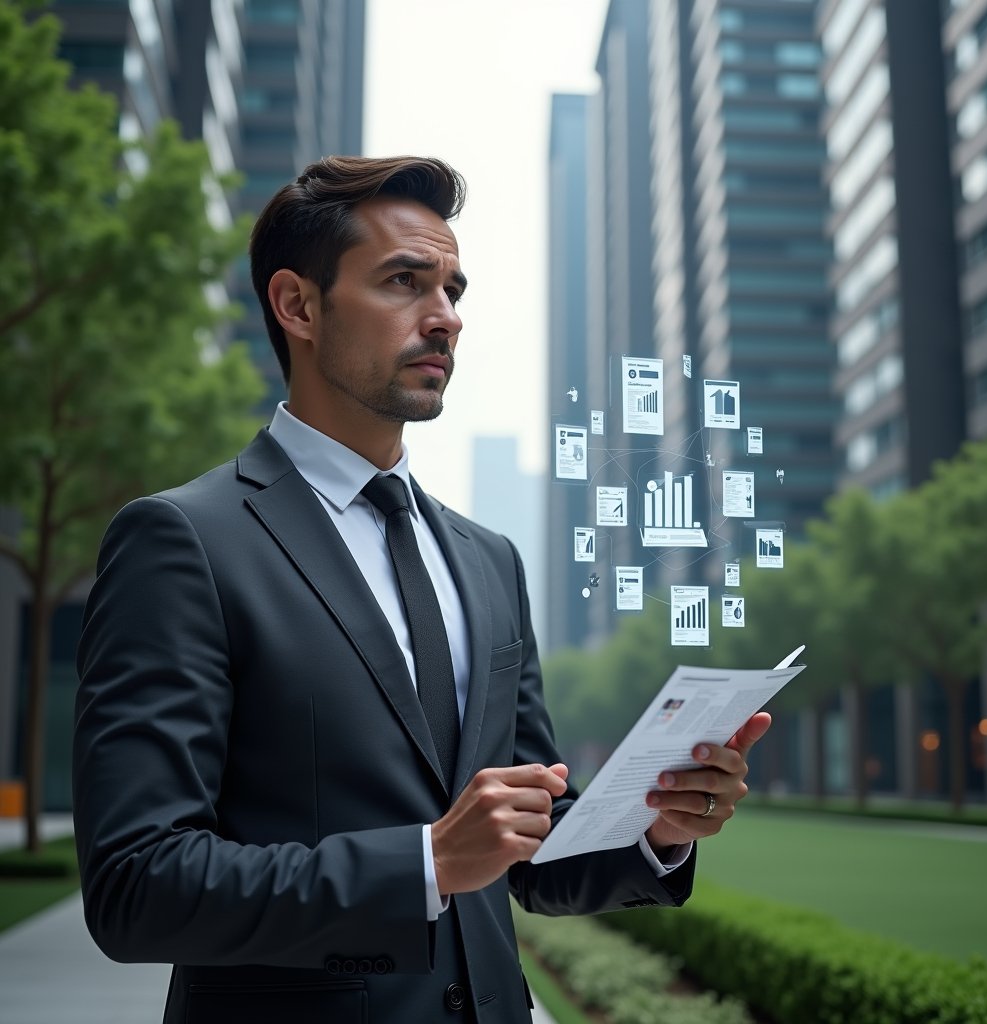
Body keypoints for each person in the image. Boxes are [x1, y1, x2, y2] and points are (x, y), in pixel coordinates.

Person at [73, 155, 771, 1024]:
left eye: (452, 289)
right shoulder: (183, 540)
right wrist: (426, 862)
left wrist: (660, 827)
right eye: (405, 281)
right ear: (297, 306)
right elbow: (137, 886)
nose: (445, 319)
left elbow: (529, 855)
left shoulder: (489, 561)